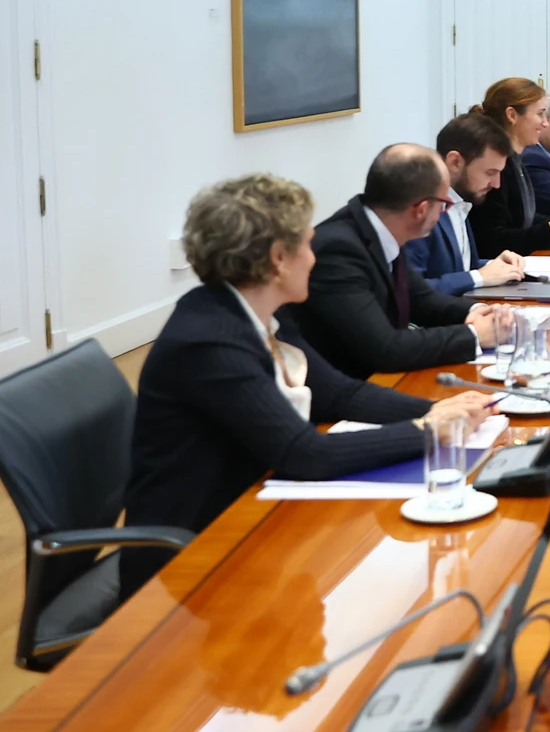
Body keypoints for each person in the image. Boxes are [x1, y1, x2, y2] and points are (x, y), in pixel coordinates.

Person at [122, 174, 494, 600]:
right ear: (278, 258)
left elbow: (338, 393)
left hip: (253, 509)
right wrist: (428, 431)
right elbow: (305, 453)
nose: (314, 258)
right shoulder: (210, 341)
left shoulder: (259, 312)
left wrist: (433, 410)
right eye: (307, 245)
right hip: (192, 560)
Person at [289, 144, 513, 379]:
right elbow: (386, 347)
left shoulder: (379, 228)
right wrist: (474, 335)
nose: (443, 213)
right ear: (421, 209)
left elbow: (421, 299)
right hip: (347, 391)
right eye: (443, 204)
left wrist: (480, 311)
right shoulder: (338, 251)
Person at [467, 77, 550, 259]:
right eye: (540, 114)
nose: (545, 123)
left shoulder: (517, 158)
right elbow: (491, 240)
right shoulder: (495, 166)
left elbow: (522, 219)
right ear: (512, 115)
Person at [405, 113, 526, 295]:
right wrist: (478, 276)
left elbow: (458, 267)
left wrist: (493, 265)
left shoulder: (461, 200)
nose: (496, 184)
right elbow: (410, 292)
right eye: (490, 172)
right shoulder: (418, 209)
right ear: (455, 162)